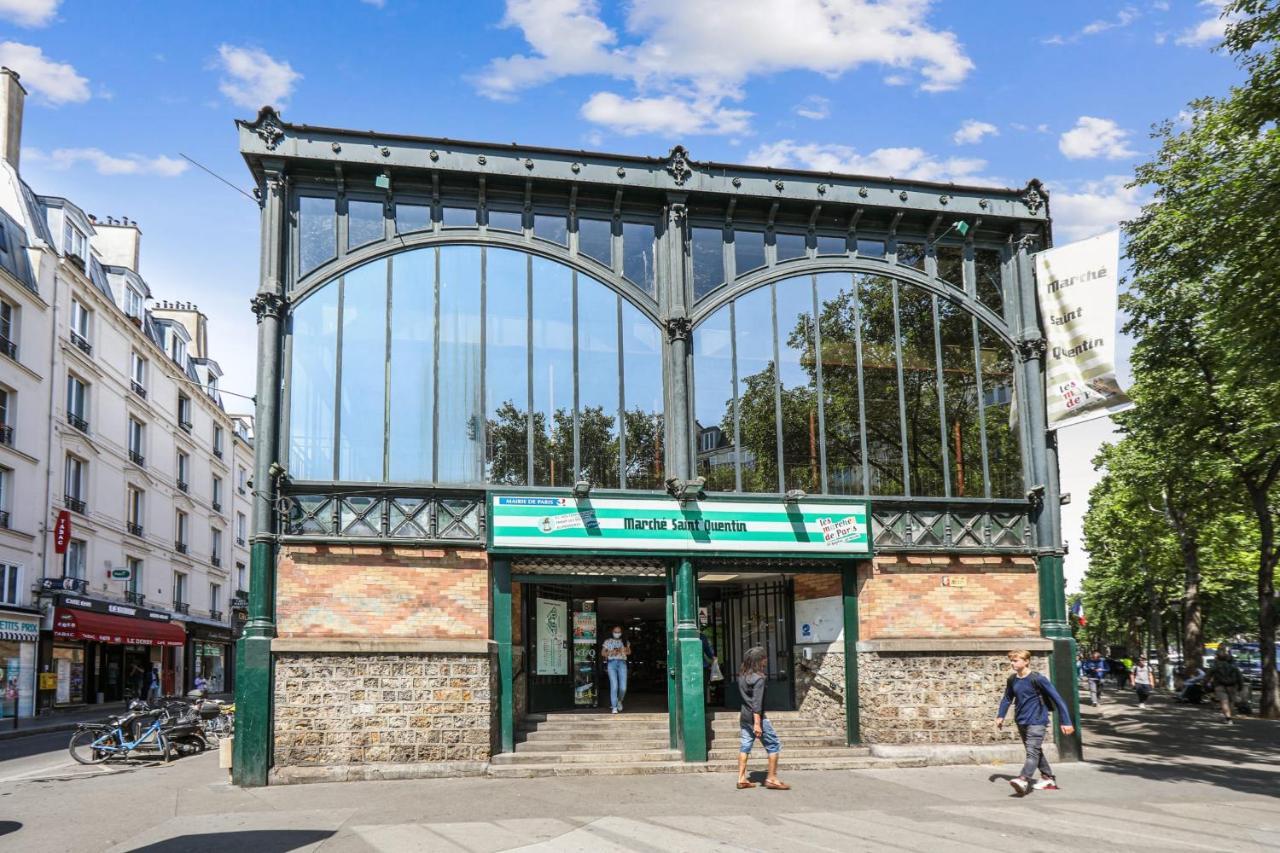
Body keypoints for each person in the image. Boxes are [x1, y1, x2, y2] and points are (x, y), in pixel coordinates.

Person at [997, 649, 1075, 796]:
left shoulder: (1038, 679)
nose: (1013, 663)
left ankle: (1023, 779)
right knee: (1034, 750)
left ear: (1026, 661)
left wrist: (1066, 721)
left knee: (1032, 752)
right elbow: (1007, 698)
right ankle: (1048, 778)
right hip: (1021, 720)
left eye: (1016, 660)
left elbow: (1058, 699)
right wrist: (1001, 715)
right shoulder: (1012, 679)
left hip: (1038, 720)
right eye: (1012, 661)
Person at [736, 645, 788, 790]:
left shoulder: (742, 677)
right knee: (774, 745)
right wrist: (757, 723)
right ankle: (771, 778)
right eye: (764, 658)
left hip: (744, 716)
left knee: (745, 746)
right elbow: (756, 703)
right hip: (756, 717)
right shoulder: (759, 678)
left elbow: (748, 700)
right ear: (760, 660)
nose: (766, 660)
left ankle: (741, 778)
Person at [1207, 647, 1244, 723]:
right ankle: (1230, 717)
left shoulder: (1215, 667)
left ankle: (1228, 718)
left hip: (1220, 686)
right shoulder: (1234, 667)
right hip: (1232, 686)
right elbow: (1240, 677)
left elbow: (1207, 677)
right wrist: (1240, 687)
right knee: (1231, 702)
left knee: (1224, 702)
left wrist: (1205, 686)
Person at [601, 625, 630, 714]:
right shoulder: (607, 641)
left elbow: (629, 652)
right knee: (614, 686)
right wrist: (611, 652)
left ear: (621, 633)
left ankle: (619, 701)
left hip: (622, 663)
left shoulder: (625, 641)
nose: (617, 633)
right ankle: (614, 707)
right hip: (611, 664)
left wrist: (624, 650)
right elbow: (602, 653)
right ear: (612, 632)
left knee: (623, 688)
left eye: (618, 632)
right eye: (615, 632)